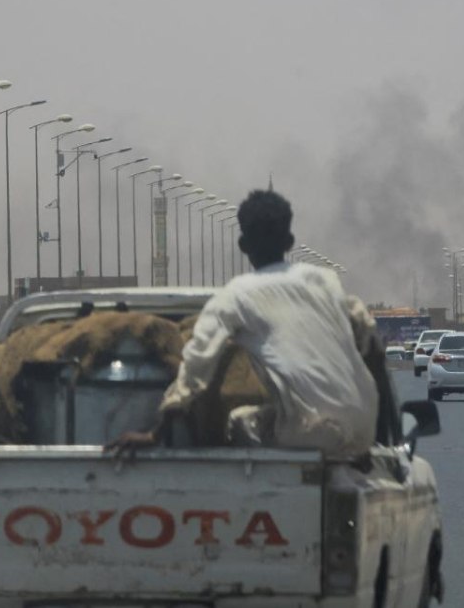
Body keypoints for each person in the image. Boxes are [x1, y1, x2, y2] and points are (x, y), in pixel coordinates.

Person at [108, 189, 379, 459]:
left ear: (243, 245)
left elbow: (196, 367)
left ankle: (275, 482)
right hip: (366, 428)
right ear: (289, 242)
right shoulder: (325, 280)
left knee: (241, 421)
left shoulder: (235, 295)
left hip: (309, 432)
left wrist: (155, 434)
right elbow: (369, 334)